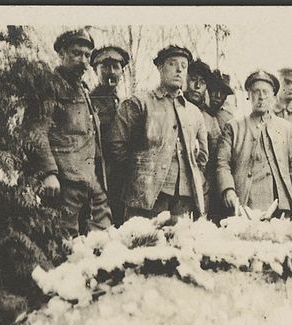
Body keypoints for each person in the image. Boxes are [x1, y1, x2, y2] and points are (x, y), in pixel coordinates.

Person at [110, 45, 208, 220]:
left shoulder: (194, 113)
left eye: (184, 66)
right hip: (146, 199)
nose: (179, 69)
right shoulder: (140, 103)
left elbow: (202, 157)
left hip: (183, 200)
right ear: (160, 67)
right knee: (144, 243)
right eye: (172, 63)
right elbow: (117, 146)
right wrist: (139, 176)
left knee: (180, 244)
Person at [33, 29, 111, 240]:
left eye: (87, 55)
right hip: (64, 182)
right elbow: (37, 131)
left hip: (90, 181)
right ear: (61, 54)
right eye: (76, 53)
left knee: (101, 241)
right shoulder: (50, 86)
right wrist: (49, 172)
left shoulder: (83, 89)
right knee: (65, 244)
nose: (83, 60)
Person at [216, 70, 292, 218]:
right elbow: (222, 163)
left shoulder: (285, 128)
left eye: (265, 92)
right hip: (247, 202)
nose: (261, 97)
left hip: (281, 202)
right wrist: (228, 189)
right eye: (256, 92)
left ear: (273, 96)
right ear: (249, 96)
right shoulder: (234, 127)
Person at [89, 45, 129, 226]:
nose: (111, 72)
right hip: (97, 172)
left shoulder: (123, 103)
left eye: (116, 67)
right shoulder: (89, 102)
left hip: (120, 175)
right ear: (96, 70)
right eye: (105, 67)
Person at [184, 58, 223, 217]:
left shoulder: (210, 120)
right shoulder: (172, 110)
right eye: (193, 80)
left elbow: (215, 159)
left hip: (201, 187)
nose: (197, 86)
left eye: (202, 82)